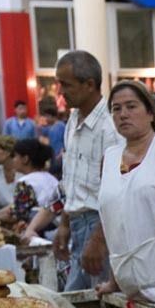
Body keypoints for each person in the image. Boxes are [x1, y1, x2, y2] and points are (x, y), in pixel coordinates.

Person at [94, 80, 155, 308]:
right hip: (131, 286)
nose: (123, 114)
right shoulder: (110, 157)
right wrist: (114, 281)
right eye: (116, 109)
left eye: (131, 106)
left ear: (150, 112)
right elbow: (114, 221)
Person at [51, 50, 123, 291]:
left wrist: (99, 239)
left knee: (98, 305)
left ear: (89, 85)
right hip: (78, 222)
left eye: (66, 84)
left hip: (101, 225)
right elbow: (71, 180)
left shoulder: (110, 127)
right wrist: (64, 223)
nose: (60, 91)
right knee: (77, 304)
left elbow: (118, 190)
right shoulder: (72, 120)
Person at [0, 139, 59, 242]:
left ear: (25, 159)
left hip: (41, 232)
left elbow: (16, 214)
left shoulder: (25, 182)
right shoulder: (50, 178)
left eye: (15, 156)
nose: (13, 160)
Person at [39, 101, 66, 176]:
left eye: (47, 116)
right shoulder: (49, 127)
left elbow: (65, 140)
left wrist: (62, 151)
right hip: (52, 155)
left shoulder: (61, 126)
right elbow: (42, 133)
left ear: (52, 116)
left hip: (60, 155)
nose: (46, 119)